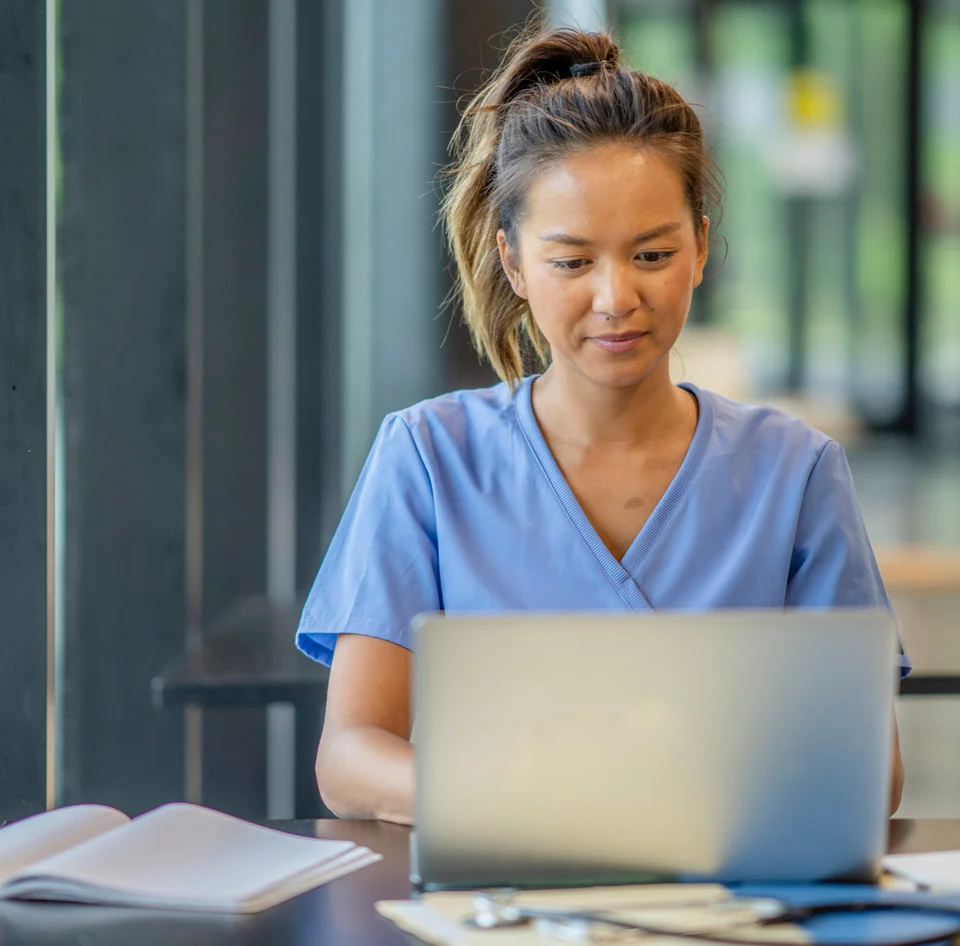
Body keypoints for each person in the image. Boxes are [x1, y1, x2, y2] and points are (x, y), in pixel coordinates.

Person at [296, 26, 908, 825]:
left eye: (651, 255)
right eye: (573, 261)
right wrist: (523, 806)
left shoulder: (796, 472)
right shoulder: (427, 458)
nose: (616, 298)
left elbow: (868, 768)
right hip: (500, 895)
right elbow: (349, 757)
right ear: (513, 264)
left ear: (700, 249)